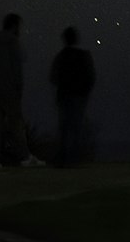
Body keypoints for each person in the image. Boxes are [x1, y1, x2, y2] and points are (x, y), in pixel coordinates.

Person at [0, 13, 32, 166]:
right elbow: (16, 69)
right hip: (9, 89)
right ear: (14, 26)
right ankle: (24, 157)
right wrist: (19, 89)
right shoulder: (12, 42)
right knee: (16, 123)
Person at [49, 25, 96, 167]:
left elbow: (53, 77)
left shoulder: (60, 56)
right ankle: (75, 159)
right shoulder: (83, 56)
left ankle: (63, 159)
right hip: (79, 96)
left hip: (64, 96)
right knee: (76, 126)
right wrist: (85, 91)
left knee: (64, 127)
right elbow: (91, 76)